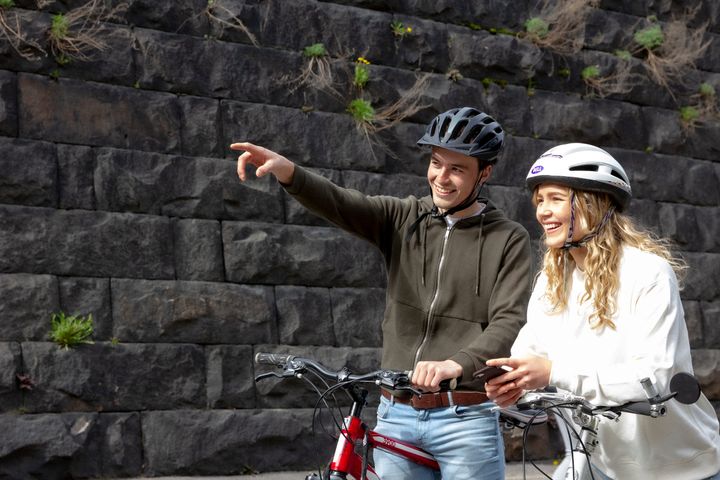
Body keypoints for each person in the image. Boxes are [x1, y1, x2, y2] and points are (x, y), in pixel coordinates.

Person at [231, 107, 532, 480]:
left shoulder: (509, 238)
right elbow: (342, 203)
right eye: (436, 163)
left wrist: (456, 364)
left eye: (457, 169)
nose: (441, 177)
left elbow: (508, 321)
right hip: (397, 413)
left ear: (484, 173)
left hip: (464, 417)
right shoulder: (404, 218)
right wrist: (288, 172)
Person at [484, 143, 720, 480]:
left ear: (592, 203)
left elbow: (655, 378)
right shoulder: (551, 282)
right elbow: (531, 352)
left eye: (555, 199)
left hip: (680, 469)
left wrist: (553, 373)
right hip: (601, 464)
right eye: (539, 201)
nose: (542, 212)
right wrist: (513, 382)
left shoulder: (648, 273)